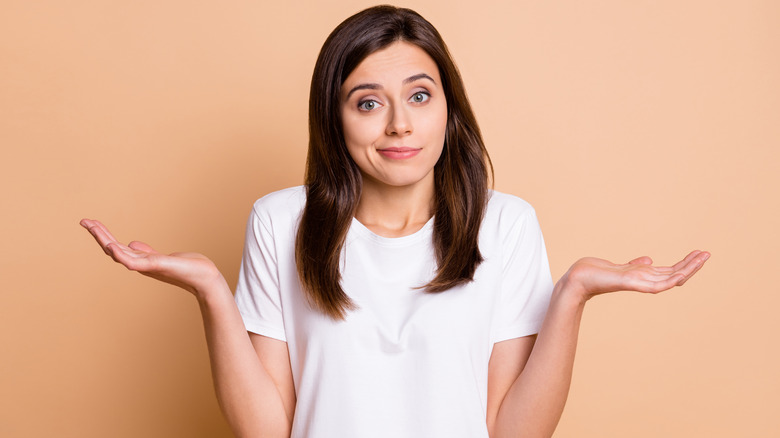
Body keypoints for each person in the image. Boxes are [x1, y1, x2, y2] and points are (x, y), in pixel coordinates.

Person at [80, 5, 709, 438]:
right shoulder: (280, 221)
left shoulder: (507, 226)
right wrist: (213, 293)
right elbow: (267, 430)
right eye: (368, 103)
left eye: (419, 95)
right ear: (335, 119)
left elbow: (511, 430)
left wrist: (572, 293)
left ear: (448, 110)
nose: (399, 125)